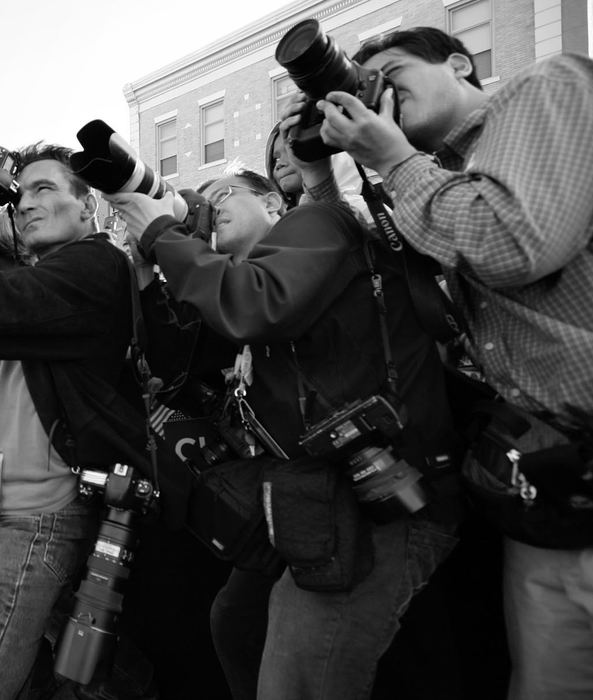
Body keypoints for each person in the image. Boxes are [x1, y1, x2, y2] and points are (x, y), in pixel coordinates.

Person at [303, 26, 593, 699]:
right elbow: (372, 294)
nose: (375, 93)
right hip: (549, 483)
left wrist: (392, 160)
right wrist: (319, 173)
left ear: (459, 63)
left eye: (387, 72)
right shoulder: (433, 186)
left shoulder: (548, 87)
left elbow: (510, 241)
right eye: (362, 86)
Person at [107, 164, 463, 700]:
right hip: (315, 501)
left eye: (224, 193)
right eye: (203, 200)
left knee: (296, 681)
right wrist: (143, 270)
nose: (210, 205)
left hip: (385, 500)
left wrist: (162, 233)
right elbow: (181, 359)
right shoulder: (236, 274)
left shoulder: (316, 224)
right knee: (237, 624)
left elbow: (255, 306)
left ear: (274, 204)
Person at [0, 145, 150, 699]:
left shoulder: (96, 264)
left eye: (45, 189)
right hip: (9, 505)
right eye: (21, 193)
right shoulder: (51, 274)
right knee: (79, 665)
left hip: (39, 516)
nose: (25, 203)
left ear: (88, 204)